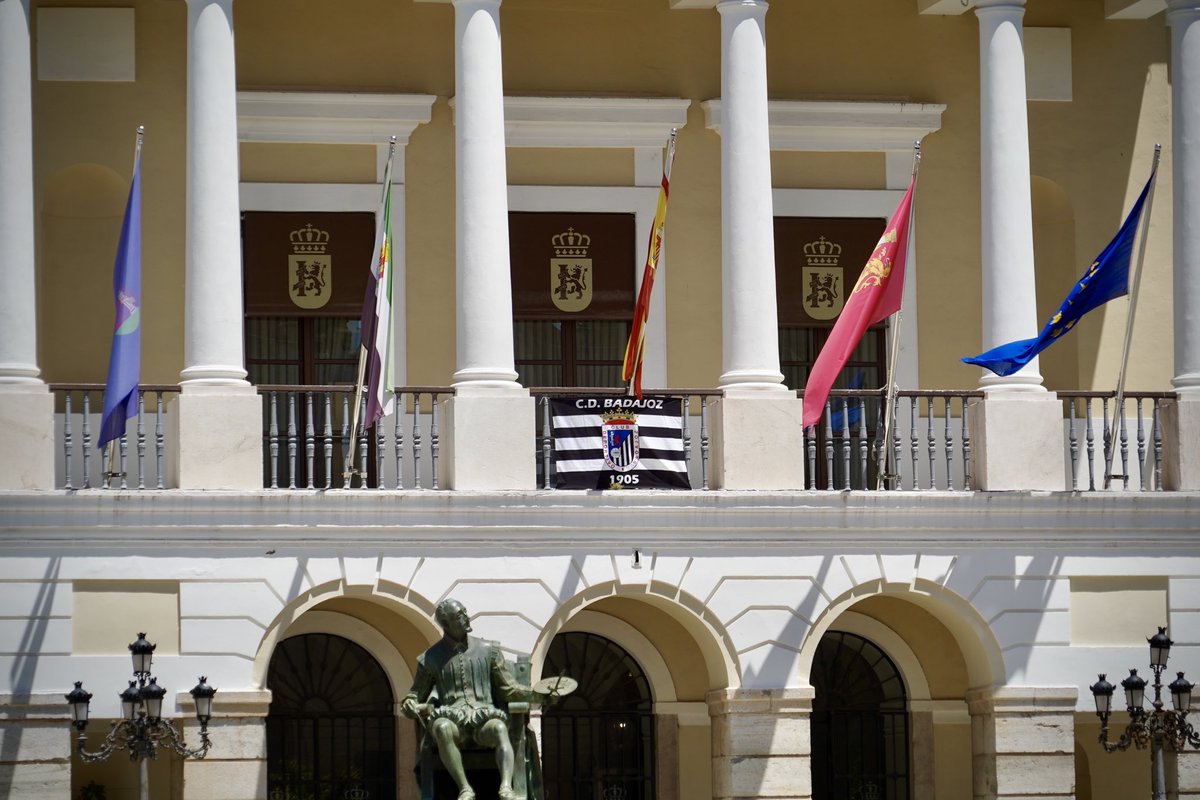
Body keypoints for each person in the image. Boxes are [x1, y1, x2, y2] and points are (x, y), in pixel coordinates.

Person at [401, 598, 534, 800]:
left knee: (499, 728)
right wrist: (409, 703)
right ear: (446, 624)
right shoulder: (430, 658)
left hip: (484, 718)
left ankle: (506, 787)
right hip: (453, 721)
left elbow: (508, 688)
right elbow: (415, 693)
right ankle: (465, 788)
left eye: (465, 612)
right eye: (459, 616)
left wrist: (537, 694)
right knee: (442, 727)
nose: (466, 617)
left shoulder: (489, 650)